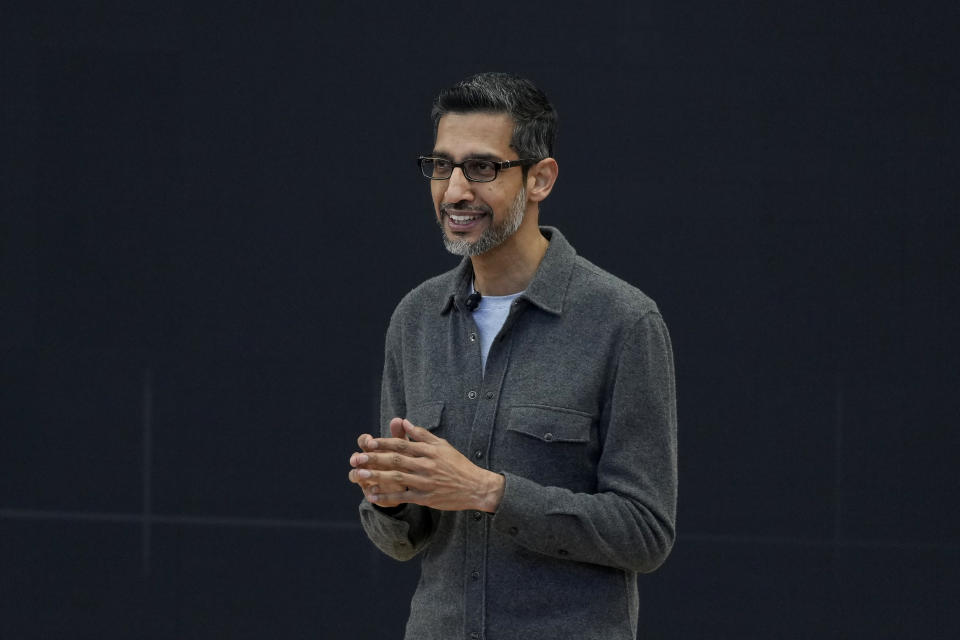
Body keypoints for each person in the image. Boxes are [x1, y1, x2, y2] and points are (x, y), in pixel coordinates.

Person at [347, 72, 677, 640]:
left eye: (482, 168)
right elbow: (404, 541)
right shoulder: (417, 319)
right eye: (442, 166)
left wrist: (489, 492)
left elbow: (645, 533)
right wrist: (392, 503)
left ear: (541, 177)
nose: (454, 191)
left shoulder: (623, 322)